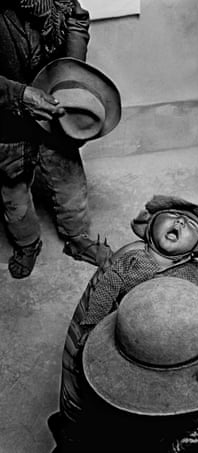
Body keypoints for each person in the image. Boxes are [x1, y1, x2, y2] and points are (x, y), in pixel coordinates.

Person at [48, 194, 198, 452]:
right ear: (150, 226)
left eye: (190, 225)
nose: (179, 222)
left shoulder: (191, 278)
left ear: (191, 252)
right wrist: (91, 327)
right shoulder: (128, 260)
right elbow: (104, 292)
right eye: (173, 217)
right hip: (135, 337)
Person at [0, 0, 119, 279]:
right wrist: (21, 95)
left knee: (70, 179)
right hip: (6, 118)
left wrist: (69, 74)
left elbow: (77, 21)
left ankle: (77, 239)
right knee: (13, 189)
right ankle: (27, 244)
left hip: (55, 109)